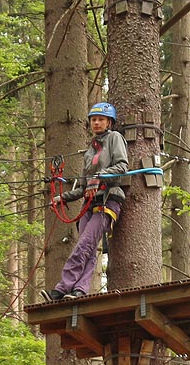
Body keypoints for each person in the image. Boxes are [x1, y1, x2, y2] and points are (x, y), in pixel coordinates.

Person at [43, 102, 128, 300]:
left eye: (101, 119)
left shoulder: (115, 138)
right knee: (87, 250)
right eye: (94, 120)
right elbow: (82, 187)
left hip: (108, 200)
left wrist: (100, 176)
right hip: (89, 203)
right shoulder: (91, 150)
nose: (97, 123)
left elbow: (122, 166)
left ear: (109, 122)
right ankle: (79, 290)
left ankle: (62, 288)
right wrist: (62, 198)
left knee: (84, 245)